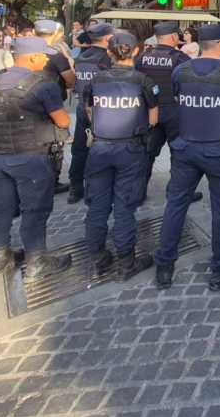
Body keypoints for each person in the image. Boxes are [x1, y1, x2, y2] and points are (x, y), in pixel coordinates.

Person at [155, 24, 220, 290]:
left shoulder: (180, 70)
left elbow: (178, 99)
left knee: (175, 205)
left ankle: (164, 266)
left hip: (185, 148)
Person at [0, 37, 73, 278]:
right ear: (32, 57)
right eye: (43, 56)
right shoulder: (42, 84)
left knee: (2, 207)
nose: (45, 60)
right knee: (35, 209)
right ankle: (36, 260)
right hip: (31, 156)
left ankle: (0, 258)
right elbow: (63, 120)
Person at [83, 31, 159, 281]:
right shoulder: (143, 81)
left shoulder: (96, 79)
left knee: (97, 204)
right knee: (125, 206)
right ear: (136, 51)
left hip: (100, 147)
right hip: (130, 148)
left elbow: (89, 110)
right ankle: (126, 261)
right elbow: (153, 117)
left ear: (109, 52)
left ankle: (96, 257)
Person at [135, 21, 198, 205]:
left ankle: (138, 193)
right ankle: (177, 193)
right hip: (174, 111)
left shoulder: (143, 56)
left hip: (149, 111)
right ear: (172, 37)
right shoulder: (180, 58)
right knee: (179, 154)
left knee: (146, 153)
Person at [68, 23, 115, 204]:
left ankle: (76, 186)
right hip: (103, 110)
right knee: (102, 150)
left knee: (79, 149)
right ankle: (98, 188)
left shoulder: (82, 58)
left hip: (82, 107)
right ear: (107, 38)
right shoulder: (107, 59)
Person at [35, 19, 76, 195]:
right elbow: (70, 79)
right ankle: (52, 181)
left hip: (26, 104)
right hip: (52, 105)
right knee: (55, 143)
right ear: (54, 35)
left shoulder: (22, 52)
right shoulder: (56, 56)